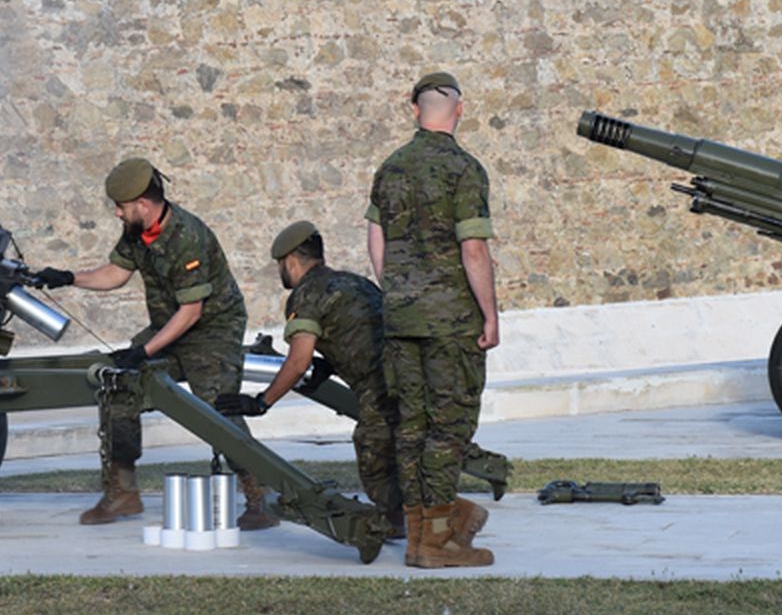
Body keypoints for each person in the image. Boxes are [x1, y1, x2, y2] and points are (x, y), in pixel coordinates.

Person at [214, 221, 512, 539]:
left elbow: (298, 362)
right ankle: (412, 523)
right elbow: (363, 331)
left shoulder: (306, 296)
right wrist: (330, 364)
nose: (280, 273)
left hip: (380, 385)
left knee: (375, 456)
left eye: (279, 266)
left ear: (290, 261)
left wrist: (262, 401)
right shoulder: (353, 282)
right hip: (414, 374)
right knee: (414, 445)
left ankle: (447, 516)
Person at [33, 157, 277, 528]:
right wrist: (68, 277)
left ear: (143, 204)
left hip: (211, 329)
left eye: (121, 206)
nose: (117, 213)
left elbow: (192, 312)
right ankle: (123, 493)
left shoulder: (187, 236)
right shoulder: (137, 230)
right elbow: (116, 273)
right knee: (119, 385)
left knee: (218, 407)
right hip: (169, 326)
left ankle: (260, 496)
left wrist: (143, 351)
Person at [366, 71, 499, 568]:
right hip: (451, 322)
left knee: (410, 429)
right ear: (459, 110)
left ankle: (418, 539)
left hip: (401, 319)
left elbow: (375, 239)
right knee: (448, 428)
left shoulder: (391, 168)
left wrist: (396, 291)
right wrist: (490, 314)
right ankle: (438, 542)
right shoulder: (465, 169)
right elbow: (473, 248)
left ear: (414, 110)